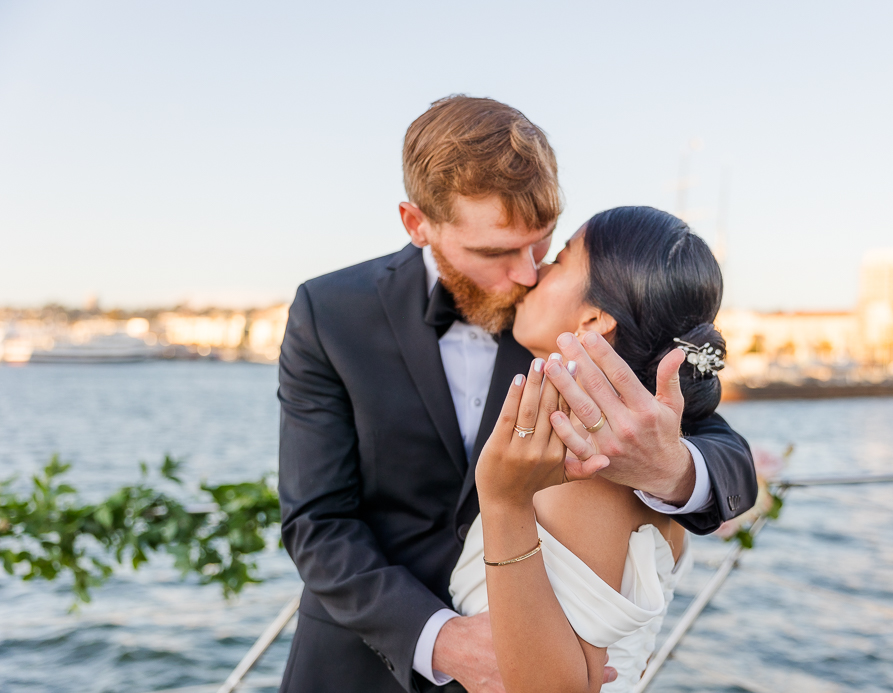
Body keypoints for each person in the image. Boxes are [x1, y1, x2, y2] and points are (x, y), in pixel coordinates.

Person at [277, 95, 757, 693]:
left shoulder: (571, 314)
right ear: (416, 223)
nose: (528, 273)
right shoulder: (329, 313)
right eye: (495, 252)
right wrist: (441, 639)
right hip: (359, 670)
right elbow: (316, 521)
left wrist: (673, 469)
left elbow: (722, 450)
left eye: (542, 243)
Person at [452, 206, 727, 692]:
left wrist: (502, 501)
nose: (533, 273)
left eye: (557, 261)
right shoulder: (617, 449)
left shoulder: (590, 467)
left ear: (594, 320)